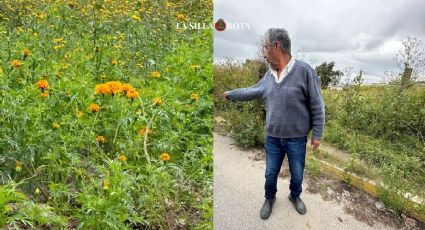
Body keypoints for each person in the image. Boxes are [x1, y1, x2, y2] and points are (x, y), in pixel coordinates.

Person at [222, 28, 325, 220]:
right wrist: (232, 94)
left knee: (297, 174)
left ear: (276, 47)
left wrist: (317, 134)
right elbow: (252, 91)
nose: (263, 52)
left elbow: (317, 105)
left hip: (296, 139)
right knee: (270, 174)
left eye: (265, 47)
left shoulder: (305, 71)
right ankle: (269, 199)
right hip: (273, 138)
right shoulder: (268, 76)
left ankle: (295, 196)